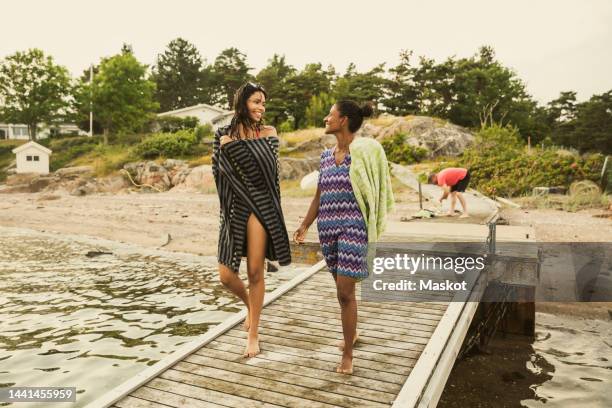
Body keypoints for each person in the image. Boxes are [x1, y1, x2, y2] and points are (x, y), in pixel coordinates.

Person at [293, 100, 394, 374]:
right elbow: (319, 195)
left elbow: (378, 185)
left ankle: (347, 356)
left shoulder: (363, 153)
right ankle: (353, 333)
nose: (326, 118)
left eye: (331, 115)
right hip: (327, 228)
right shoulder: (326, 156)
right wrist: (304, 225)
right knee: (342, 294)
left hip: (353, 228)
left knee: (345, 292)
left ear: (344, 120)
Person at [212, 82, 291, 358]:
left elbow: (266, 172)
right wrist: (230, 148)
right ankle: (250, 305)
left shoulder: (269, 132)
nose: (261, 107)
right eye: (256, 101)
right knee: (225, 276)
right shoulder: (222, 133)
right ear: (243, 102)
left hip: (260, 205)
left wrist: (233, 149)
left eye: (263, 103)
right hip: (234, 207)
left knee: (256, 272)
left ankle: (254, 333)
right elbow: (219, 171)